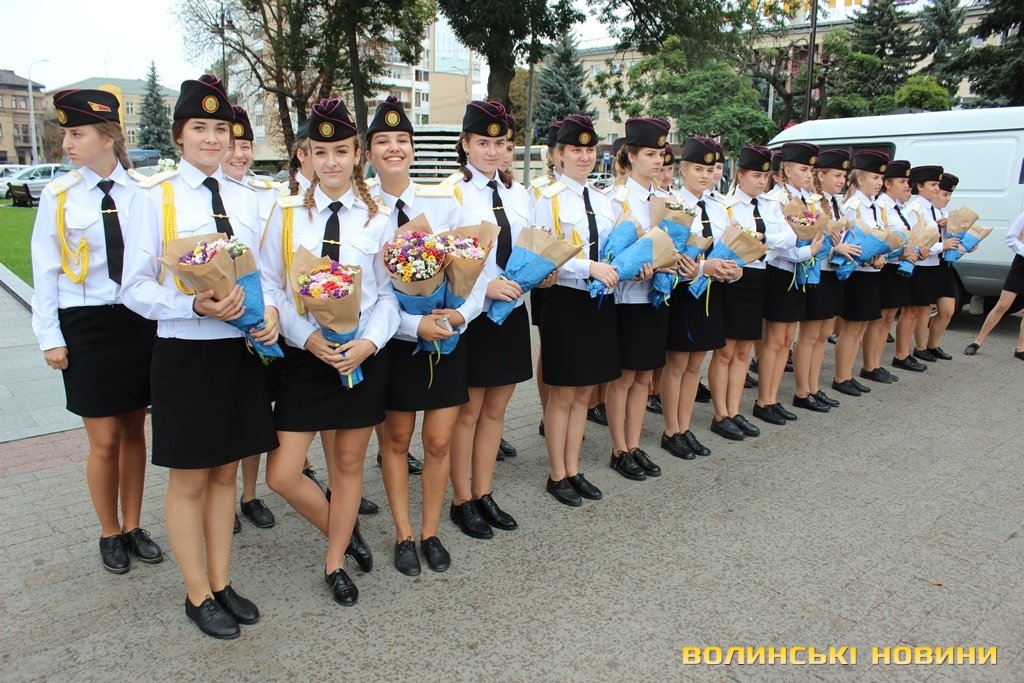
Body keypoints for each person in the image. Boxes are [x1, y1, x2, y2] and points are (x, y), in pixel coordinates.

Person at [122, 74, 277, 639]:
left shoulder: (247, 198)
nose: (212, 138)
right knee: (189, 480)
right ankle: (196, 594)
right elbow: (133, 288)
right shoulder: (154, 197)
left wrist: (273, 310)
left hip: (241, 353)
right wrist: (192, 304)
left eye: (220, 128)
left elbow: (268, 273)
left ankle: (221, 581)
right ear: (178, 135)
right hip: (186, 354)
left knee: (225, 475)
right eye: (200, 127)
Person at [261, 97, 399, 606]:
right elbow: (272, 287)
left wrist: (367, 343)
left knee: (346, 464)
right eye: (321, 152)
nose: (332, 162)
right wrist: (306, 337)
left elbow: (389, 295)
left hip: (361, 359)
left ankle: (335, 560)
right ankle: (341, 530)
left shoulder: (379, 217)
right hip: (305, 358)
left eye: (341, 151)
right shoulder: (286, 214)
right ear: (305, 156)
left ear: (357, 155)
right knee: (282, 474)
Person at [30, 88, 161, 575]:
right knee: (104, 438)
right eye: (66, 134)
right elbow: (45, 269)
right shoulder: (59, 196)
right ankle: (109, 531)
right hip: (86, 324)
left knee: (134, 431)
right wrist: (50, 336)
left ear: (108, 137)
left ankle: (134, 524)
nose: (67, 143)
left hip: (137, 321)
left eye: (77, 134)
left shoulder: (144, 193)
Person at [365, 96, 481, 574]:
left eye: (402, 140)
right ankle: (404, 534)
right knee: (396, 440)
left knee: (437, 441)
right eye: (383, 141)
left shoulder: (441, 200)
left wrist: (460, 316)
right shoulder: (361, 208)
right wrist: (414, 325)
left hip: (446, 339)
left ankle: (431, 530)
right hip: (393, 345)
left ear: (413, 149)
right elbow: (371, 291)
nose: (394, 148)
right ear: (369, 152)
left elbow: (475, 267)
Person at [449, 100, 536, 539]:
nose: (493, 151)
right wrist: (484, 289)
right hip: (473, 316)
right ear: (465, 144)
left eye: (500, 143)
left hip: (512, 312)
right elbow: (445, 256)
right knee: (468, 412)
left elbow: (530, 246)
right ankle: (461, 499)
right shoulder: (450, 193)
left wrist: (543, 270)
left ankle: (484, 492)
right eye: (483, 142)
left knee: (496, 411)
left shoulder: (520, 194)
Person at [534, 114, 620, 506]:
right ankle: (557, 473)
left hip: (598, 302)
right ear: (558, 155)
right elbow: (544, 252)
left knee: (585, 391)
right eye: (575, 150)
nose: (584, 157)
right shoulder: (546, 199)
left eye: (590, 150)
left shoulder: (602, 200)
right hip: (565, 301)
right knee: (563, 394)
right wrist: (588, 267)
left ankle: (574, 468)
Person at [217, 104, 276, 531]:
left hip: (257, 322)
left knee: (255, 413)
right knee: (222, 418)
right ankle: (219, 498)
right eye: (231, 145)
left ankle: (250, 494)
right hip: (215, 322)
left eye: (246, 145)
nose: (239, 154)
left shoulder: (264, 193)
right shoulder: (199, 193)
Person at [660, 136, 739, 454]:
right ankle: (671, 430)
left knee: (696, 364)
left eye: (710, 170)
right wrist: (706, 267)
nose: (705, 176)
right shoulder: (672, 204)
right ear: (683, 170)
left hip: (712, 292)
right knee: (677, 364)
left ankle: (685, 426)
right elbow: (670, 254)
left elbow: (733, 247)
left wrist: (734, 271)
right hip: (682, 292)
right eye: (698, 169)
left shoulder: (720, 207)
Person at [606, 117, 670, 477]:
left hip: (655, 297)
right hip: (626, 299)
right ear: (630, 156)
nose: (658, 161)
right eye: (650, 154)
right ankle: (619, 449)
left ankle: (634, 444)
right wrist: (631, 268)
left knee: (645, 376)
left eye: (660, 154)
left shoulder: (666, 200)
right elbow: (609, 254)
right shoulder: (615, 200)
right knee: (624, 378)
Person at [709, 145, 785, 439]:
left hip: (758, 277)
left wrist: (762, 237)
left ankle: (735, 409)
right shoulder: (726, 205)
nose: (761, 181)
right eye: (755, 175)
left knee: (744, 351)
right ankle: (721, 414)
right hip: (732, 278)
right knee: (726, 351)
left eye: (765, 176)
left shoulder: (770, 205)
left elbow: (789, 238)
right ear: (740, 175)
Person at [755, 141, 821, 425]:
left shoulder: (809, 201)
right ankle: (763, 400)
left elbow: (810, 234)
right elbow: (777, 244)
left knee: (786, 341)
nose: (809, 175)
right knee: (774, 340)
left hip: (798, 272)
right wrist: (806, 251)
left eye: (811, 170)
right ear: (787, 170)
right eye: (803, 169)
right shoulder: (775, 200)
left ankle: (773, 398)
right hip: (779, 272)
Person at [792, 149, 852, 411]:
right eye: (836, 175)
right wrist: (834, 247)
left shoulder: (837, 204)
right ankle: (802, 391)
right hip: (816, 271)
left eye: (844, 176)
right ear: (821, 175)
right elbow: (805, 237)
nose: (841, 181)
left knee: (824, 334)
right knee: (809, 335)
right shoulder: (811, 202)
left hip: (832, 273)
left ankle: (814, 387)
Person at [831, 150, 890, 397]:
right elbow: (844, 239)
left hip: (870, 272)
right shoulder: (852, 206)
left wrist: (881, 256)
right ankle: (841, 377)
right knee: (852, 327)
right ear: (860, 178)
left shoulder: (875, 207)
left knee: (863, 325)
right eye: (875, 177)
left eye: (881, 178)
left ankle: (849, 374)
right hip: (854, 272)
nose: (879, 182)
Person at [868, 160, 920, 379]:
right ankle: (870, 365)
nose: (907, 185)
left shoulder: (898, 208)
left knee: (889, 318)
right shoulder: (881, 207)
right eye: (902, 181)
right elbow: (881, 241)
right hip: (885, 267)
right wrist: (900, 253)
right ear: (887, 184)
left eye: (907, 181)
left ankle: (876, 363)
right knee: (879, 319)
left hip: (897, 266)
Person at [904, 165, 954, 364]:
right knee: (911, 312)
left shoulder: (933, 210)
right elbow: (913, 240)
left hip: (932, 264)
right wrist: (942, 246)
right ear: (920, 186)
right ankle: (905, 353)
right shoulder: (915, 209)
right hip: (919, 265)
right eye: (933, 184)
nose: (937, 188)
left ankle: (921, 348)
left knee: (923, 309)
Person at [533, 120, 562, 436]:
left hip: (565, 275)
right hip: (543, 277)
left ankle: (557, 414)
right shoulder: (539, 189)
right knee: (547, 347)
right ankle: (546, 411)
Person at [964, 211, 1024, 360]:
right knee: (1003, 304)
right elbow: (1010, 238)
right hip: (1022, 263)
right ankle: (977, 342)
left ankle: (1021, 348)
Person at [915, 171, 961, 360]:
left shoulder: (946, 215)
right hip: (925, 263)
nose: (947, 198)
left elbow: (960, 240)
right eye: (944, 194)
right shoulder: (921, 210)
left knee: (948, 309)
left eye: (949, 195)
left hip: (943, 264)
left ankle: (933, 344)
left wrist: (953, 227)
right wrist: (943, 244)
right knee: (924, 309)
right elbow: (919, 241)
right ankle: (920, 347)